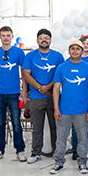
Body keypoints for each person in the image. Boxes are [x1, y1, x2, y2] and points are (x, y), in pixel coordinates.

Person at [50, 40, 88, 175]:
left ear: (82, 51)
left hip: (82, 111)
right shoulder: (61, 68)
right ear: (69, 51)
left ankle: (82, 163)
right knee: (61, 139)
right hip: (64, 111)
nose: (75, 51)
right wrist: (56, 108)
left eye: (78, 49)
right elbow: (56, 89)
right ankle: (58, 162)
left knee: (83, 139)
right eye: (72, 48)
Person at [22, 29, 64, 164]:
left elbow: (60, 75)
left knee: (55, 126)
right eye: (41, 37)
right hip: (36, 97)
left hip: (54, 97)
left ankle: (57, 152)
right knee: (37, 127)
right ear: (37, 40)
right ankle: (36, 153)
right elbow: (26, 74)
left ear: (50, 40)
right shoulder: (30, 56)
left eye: (47, 37)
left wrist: (47, 87)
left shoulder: (58, 57)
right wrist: (40, 88)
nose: (44, 39)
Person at [0, 26, 28, 163]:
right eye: (3, 35)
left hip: (15, 93)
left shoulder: (19, 52)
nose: (6, 38)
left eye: (8, 35)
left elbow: (24, 72)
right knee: (0, 123)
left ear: (12, 37)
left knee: (17, 123)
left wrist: (24, 90)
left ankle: (20, 150)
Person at [68, 35, 88, 161]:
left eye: (87, 44)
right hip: (75, 100)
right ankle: (76, 149)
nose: (85, 46)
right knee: (76, 126)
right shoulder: (68, 62)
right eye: (83, 44)